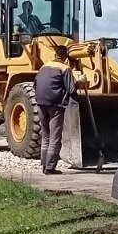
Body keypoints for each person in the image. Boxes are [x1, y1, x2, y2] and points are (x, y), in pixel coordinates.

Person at [33, 43, 76, 175]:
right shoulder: (65, 68)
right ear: (66, 56)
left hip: (40, 104)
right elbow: (71, 89)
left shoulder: (43, 67)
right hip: (55, 106)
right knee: (55, 137)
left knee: (45, 136)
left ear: (55, 54)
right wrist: (80, 81)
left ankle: (44, 164)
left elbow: (35, 84)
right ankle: (50, 168)